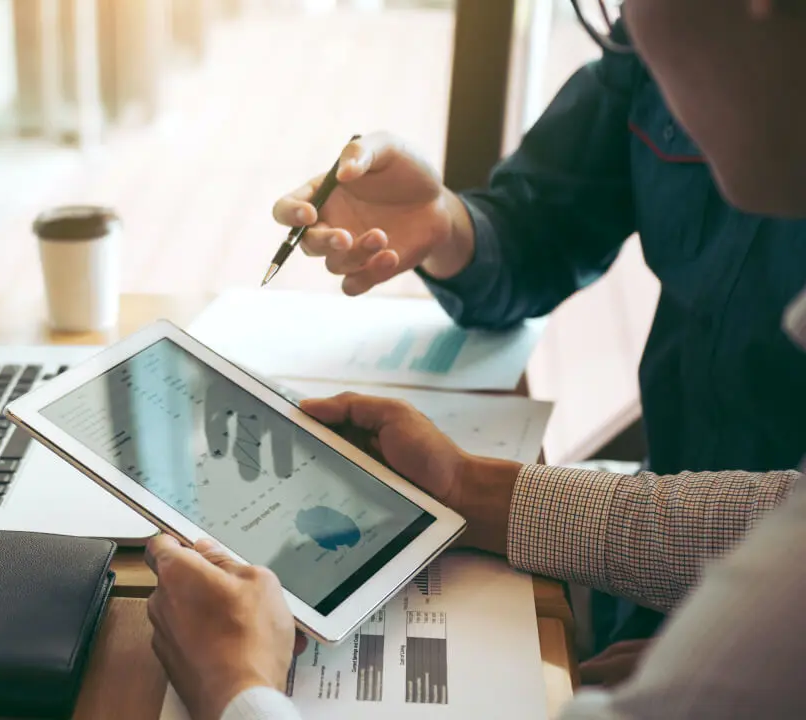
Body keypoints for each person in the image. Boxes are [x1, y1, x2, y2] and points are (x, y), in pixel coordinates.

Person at [145, 1, 806, 717]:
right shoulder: (674, 56)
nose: (626, 25)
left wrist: (235, 693)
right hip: (656, 578)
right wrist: (468, 488)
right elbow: (780, 509)